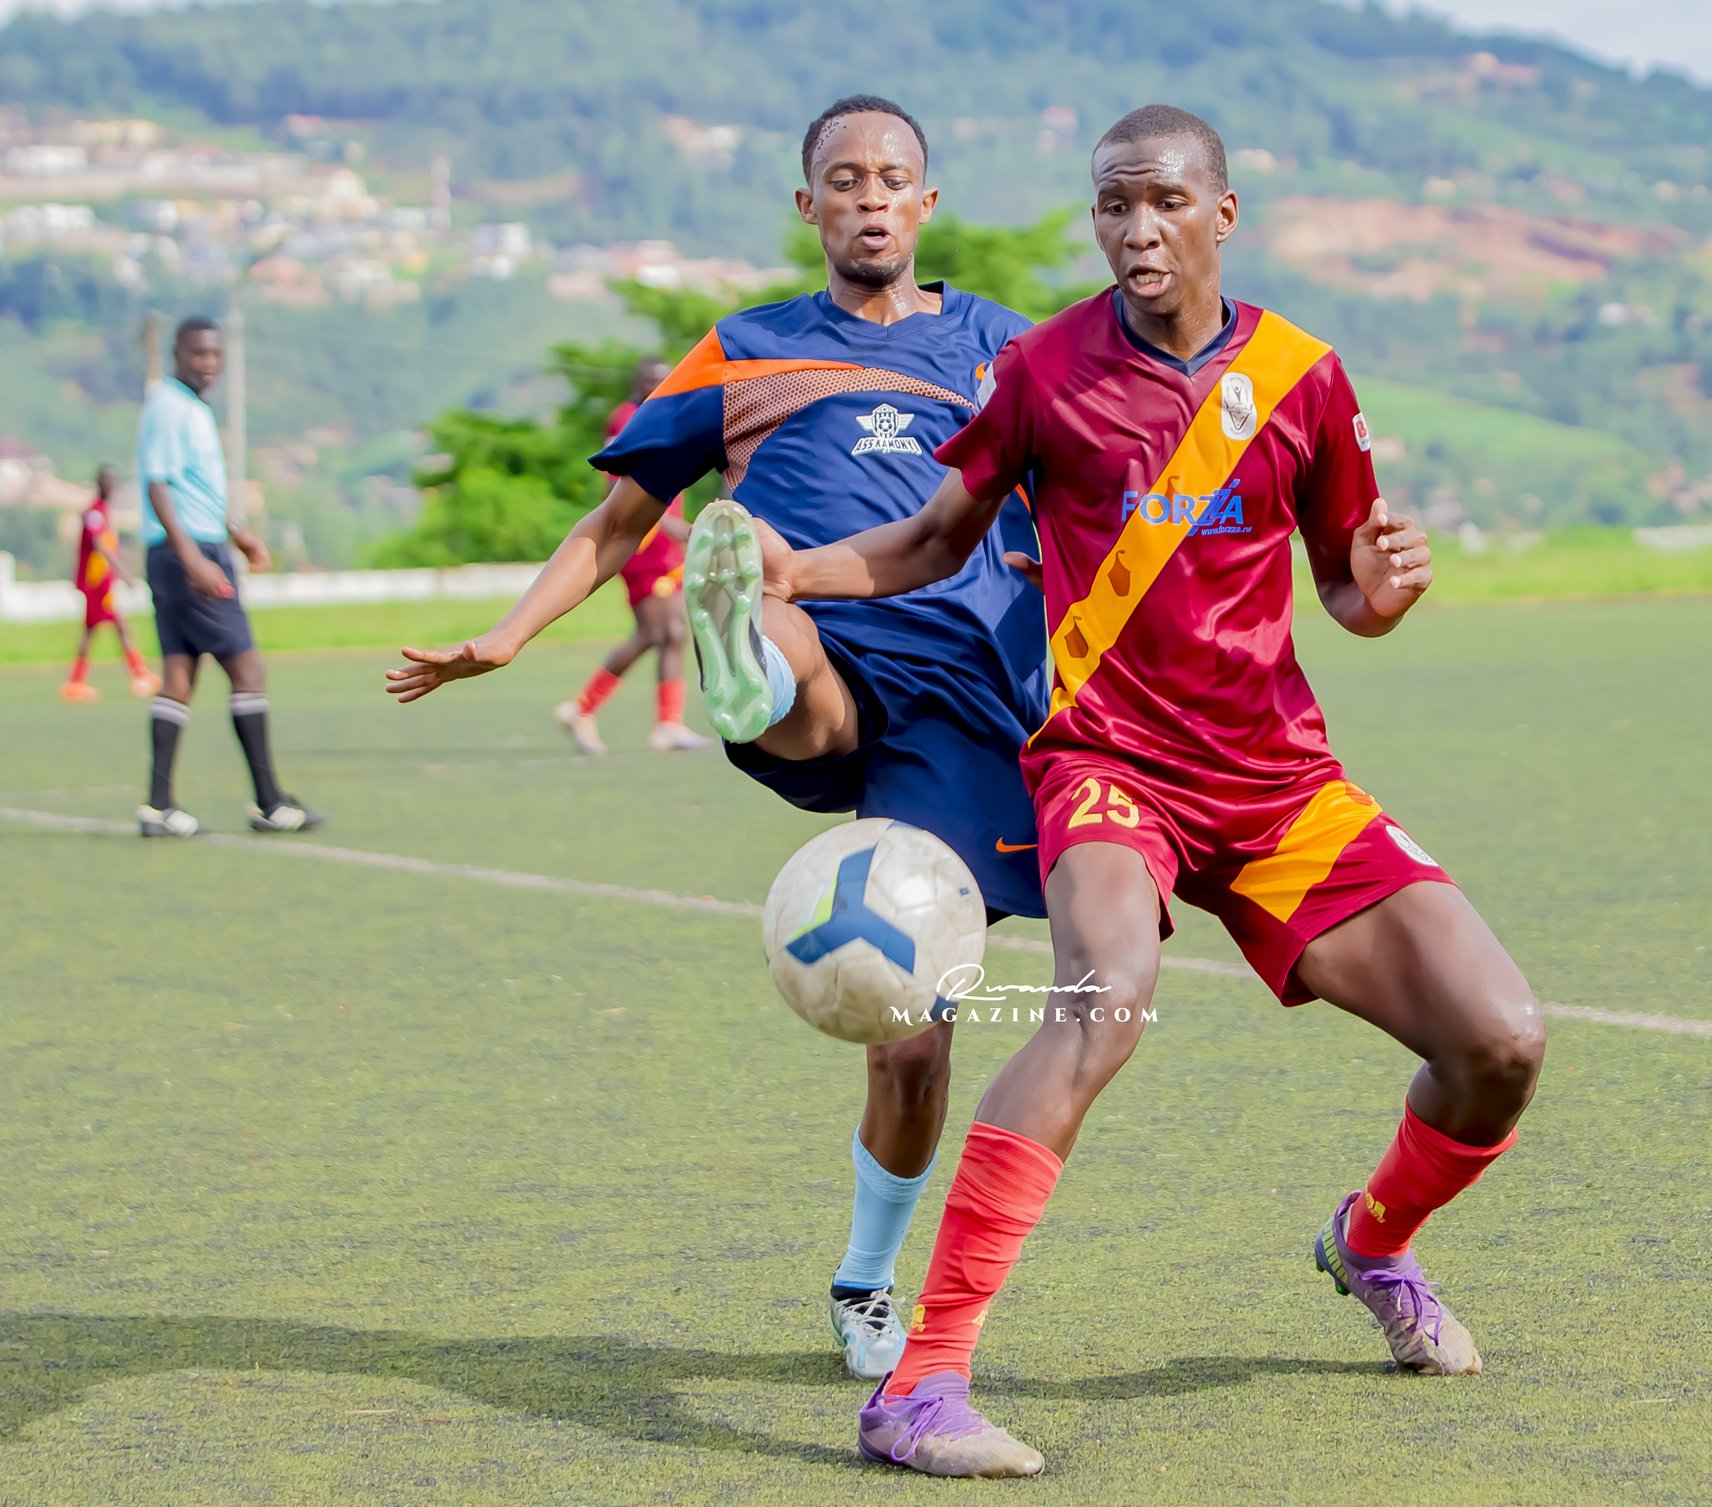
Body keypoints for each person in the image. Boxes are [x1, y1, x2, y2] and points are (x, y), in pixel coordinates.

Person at [733, 104, 1548, 1478]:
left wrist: (1381, 593)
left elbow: (1344, 586)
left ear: (1221, 214)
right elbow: (933, 538)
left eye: (1164, 201)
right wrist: (794, 574)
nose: (1136, 228)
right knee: (1103, 997)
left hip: (1276, 781)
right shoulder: (1043, 370)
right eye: (1113, 204)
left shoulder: (1301, 377)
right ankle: (920, 1386)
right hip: (1109, 764)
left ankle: (1371, 1244)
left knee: (1501, 1041)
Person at [385, 96, 1048, 1382]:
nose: (867, 195)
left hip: (968, 698)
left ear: (925, 201)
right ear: (807, 205)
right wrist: (509, 637)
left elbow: (1110, 489)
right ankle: (747, 651)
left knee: (913, 1037)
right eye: (841, 178)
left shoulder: (1008, 350)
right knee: (784, 628)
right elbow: (617, 518)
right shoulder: (742, 351)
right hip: (823, 649)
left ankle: (864, 1279)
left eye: (890, 177)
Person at [137, 315, 324, 839]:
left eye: (216, 354)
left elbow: (194, 488)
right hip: (188, 554)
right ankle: (269, 802)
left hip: (189, 549)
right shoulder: (168, 405)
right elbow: (158, 486)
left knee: (179, 676)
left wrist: (237, 533)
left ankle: (158, 808)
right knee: (248, 669)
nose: (209, 363)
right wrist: (193, 559)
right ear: (177, 354)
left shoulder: (191, 408)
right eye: (199, 353)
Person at [552, 356, 707, 754]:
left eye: (665, 380)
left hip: (666, 547)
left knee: (673, 633)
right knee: (655, 632)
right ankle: (582, 707)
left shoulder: (670, 412)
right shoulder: (626, 419)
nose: (660, 386)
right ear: (638, 384)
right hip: (642, 542)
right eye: (653, 381)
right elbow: (616, 484)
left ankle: (667, 724)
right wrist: (662, 521)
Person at [62, 464, 161, 703]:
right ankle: (137, 674)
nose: (113, 486)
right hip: (96, 582)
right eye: (110, 481)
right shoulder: (95, 512)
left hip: (102, 580)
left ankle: (77, 681)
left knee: (99, 628)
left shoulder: (103, 511)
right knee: (116, 625)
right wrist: (124, 573)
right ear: (101, 484)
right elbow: (100, 546)